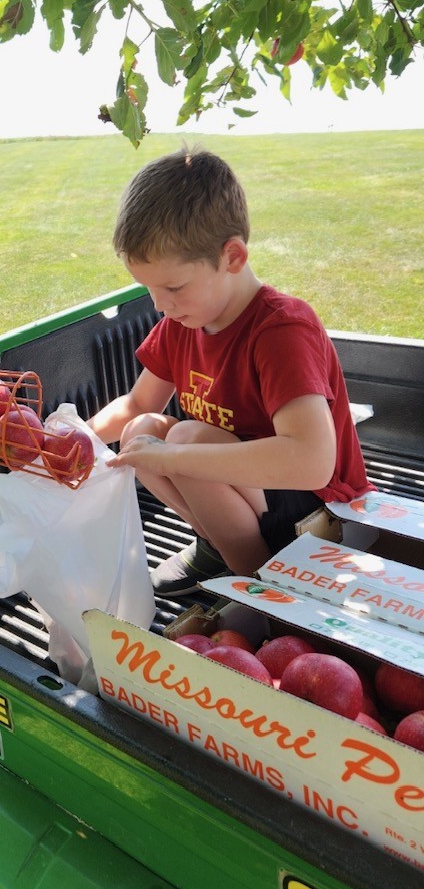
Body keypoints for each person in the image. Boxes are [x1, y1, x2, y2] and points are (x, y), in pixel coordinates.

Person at [90, 146, 370, 599]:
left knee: (183, 440)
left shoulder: (281, 329)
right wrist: (76, 439)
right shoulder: (184, 323)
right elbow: (139, 404)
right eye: (149, 290)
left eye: (173, 286)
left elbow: (312, 462)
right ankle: (221, 546)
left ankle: (262, 586)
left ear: (233, 257)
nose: (159, 305)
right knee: (141, 432)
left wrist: (174, 458)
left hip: (317, 512)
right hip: (247, 497)